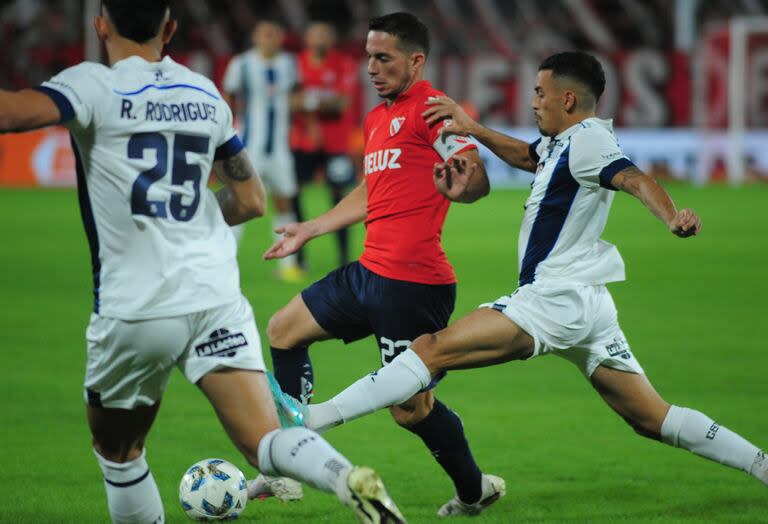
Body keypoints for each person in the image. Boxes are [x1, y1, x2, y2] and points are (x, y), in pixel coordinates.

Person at [283, 51, 768, 496]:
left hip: (553, 298)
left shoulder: (591, 140)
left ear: (569, 98)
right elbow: (528, 156)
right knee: (650, 417)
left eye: (540, 93)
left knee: (428, 351)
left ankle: (313, 420)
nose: (533, 101)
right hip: (587, 304)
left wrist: (671, 217)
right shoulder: (564, 143)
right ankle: (760, 464)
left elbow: (634, 178)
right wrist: (474, 127)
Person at [0, 2, 405, 522]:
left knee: (120, 455)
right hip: (214, 298)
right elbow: (252, 201)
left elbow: (12, 114)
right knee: (263, 440)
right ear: (169, 28)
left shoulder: (91, 85)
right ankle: (344, 478)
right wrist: (187, 216)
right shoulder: (202, 92)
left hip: (136, 306)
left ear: (101, 26)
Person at [264, 12, 506, 518]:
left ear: (416, 60)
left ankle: (472, 490)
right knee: (284, 329)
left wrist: (469, 185)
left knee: (410, 409)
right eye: (368, 58)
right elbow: (374, 190)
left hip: (414, 284)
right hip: (369, 271)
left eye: (384, 58)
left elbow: (474, 173)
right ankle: (285, 463)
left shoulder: (432, 109)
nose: (371, 68)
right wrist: (312, 228)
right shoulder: (378, 118)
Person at [221, 18, 304, 282]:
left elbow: (295, 98)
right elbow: (228, 100)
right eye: (265, 34)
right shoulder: (241, 64)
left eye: (274, 34)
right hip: (249, 147)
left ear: (281, 38)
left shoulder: (289, 64)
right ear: (256, 37)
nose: (270, 38)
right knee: (240, 202)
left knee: (284, 201)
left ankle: (288, 266)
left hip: (279, 147)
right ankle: (224, 263)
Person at [290, 19, 359, 269]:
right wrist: (320, 101)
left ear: (331, 40)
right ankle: (298, 259)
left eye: (324, 35)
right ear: (307, 39)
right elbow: (289, 102)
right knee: (294, 194)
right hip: (302, 142)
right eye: (315, 34)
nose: (319, 39)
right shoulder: (295, 65)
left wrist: (306, 101)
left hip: (336, 144)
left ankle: (343, 260)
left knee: (340, 200)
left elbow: (341, 104)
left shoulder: (343, 64)